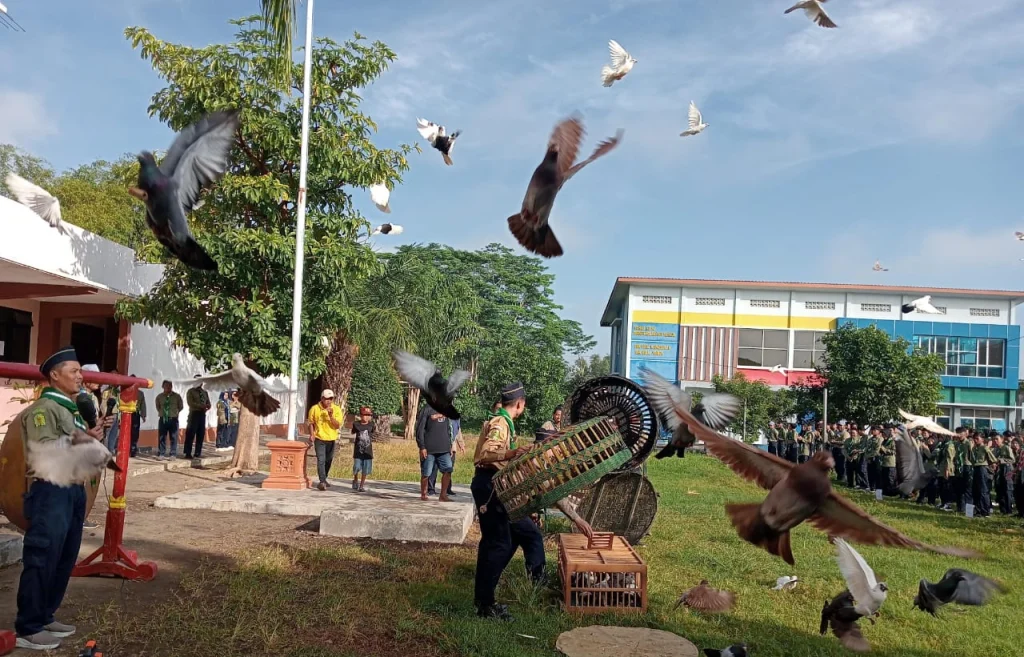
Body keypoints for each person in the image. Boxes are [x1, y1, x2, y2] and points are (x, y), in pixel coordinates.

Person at [471, 381, 593, 622]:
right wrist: (511, 453)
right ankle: (485, 604)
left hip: (498, 489)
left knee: (523, 534)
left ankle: (507, 586)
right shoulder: (501, 422)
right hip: (490, 488)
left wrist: (576, 518)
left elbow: (548, 490)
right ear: (520, 404)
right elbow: (485, 454)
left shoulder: (508, 425)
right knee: (498, 544)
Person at [14, 347, 106, 650]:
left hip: (72, 490)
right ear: (54, 375)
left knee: (64, 556)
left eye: (80, 371)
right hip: (51, 490)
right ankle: (28, 627)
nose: (80, 376)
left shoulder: (70, 410)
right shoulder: (44, 410)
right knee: (42, 556)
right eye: (74, 371)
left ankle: (45, 614)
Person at [416, 403, 455, 502]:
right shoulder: (427, 409)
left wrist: (450, 445)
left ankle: (443, 495)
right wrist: (422, 447)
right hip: (429, 449)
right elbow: (420, 429)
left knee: (448, 470)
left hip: (444, 449)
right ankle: (424, 494)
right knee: (426, 473)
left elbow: (449, 429)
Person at [307, 389, 343, 491]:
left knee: (328, 460)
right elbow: (311, 423)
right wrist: (312, 434)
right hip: (320, 438)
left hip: (331, 438)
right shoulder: (314, 409)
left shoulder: (336, 409)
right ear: (322, 398)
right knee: (321, 460)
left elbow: (337, 425)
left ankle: (324, 478)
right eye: (327, 398)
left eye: (331, 398)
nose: (329, 401)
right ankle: (322, 481)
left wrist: (331, 416)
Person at [429, 416, 466, 497]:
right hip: (439, 446)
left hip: (452, 447)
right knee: (434, 468)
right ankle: (431, 489)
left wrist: (461, 444)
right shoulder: (439, 415)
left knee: (449, 469)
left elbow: (457, 431)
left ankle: (447, 489)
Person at [183, 375, 211, 460]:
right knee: (190, 433)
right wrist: (201, 406)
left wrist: (208, 406)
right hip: (194, 414)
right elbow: (190, 403)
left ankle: (198, 452)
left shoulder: (204, 392)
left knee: (201, 434)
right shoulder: (191, 391)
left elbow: (208, 402)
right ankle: (188, 453)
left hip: (202, 414)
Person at [970, 432, 997, 518]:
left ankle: (985, 511)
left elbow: (993, 459)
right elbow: (972, 460)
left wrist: (991, 468)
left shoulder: (985, 448)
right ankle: (978, 510)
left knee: (983, 491)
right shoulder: (974, 448)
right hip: (976, 468)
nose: (975, 440)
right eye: (974, 439)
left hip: (983, 468)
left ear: (982, 439)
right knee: (976, 490)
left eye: (977, 438)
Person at [351, 406, 374, 492]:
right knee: (356, 467)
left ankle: (361, 485)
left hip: (368, 451)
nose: (366, 417)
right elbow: (353, 431)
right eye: (365, 415)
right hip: (358, 450)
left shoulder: (371, 425)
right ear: (360, 415)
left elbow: (372, 432)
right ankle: (355, 478)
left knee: (365, 469)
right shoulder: (356, 424)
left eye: (369, 415)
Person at [994, 432, 1015, 516]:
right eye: (994, 439)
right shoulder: (996, 449)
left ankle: (1009, 510)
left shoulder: (1006, 448)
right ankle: (1002, 510)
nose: (995, 441)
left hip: (1007, 470)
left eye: (997, 439)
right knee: (1000, 490)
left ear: (1002, 439)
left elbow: (1012, 460)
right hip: (998, 471)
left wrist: (1001, 460)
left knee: (1007, 490)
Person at [128, 374, 146, 458]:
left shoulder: (140, 393)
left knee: (135, 433)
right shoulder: (125, 391)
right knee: (126, 431)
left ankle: (133, 449)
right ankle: (126, 449)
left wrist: (143, 415)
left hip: (135, 414)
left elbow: (143, 405)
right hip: (126, 413)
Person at [878, 427, 897, 496]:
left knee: (890, 478)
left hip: (890, 463)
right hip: (884, 462)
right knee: (884, 478)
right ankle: (885, 492)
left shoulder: (892, 441)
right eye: (883, 434)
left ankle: (891, 493)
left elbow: (894, 451)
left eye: (884, 434)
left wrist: (884, 449)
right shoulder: (883, 441)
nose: (883, 436)